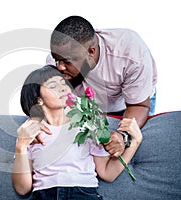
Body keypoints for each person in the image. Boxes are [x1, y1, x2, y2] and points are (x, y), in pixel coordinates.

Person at [12, 65, 143, 199]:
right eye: (53, 86)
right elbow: (23, 189)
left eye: (64, 83)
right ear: (38, 100)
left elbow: (107, 173)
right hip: (43, 195)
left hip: (82, 194)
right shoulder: (29, 131)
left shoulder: (87, 122)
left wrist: (135, 142)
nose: (63, 87)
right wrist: (20, 146)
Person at [47, 15, 157, 128]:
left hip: (132, 105)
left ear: (90, 51)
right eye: (57, 60)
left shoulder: (130, 54)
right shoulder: (57, 61)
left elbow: (139, 106)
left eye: (67, 61)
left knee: (131, 140)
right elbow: (49, 106)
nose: (60, 67)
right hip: (90, 107)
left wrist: (124, 135)